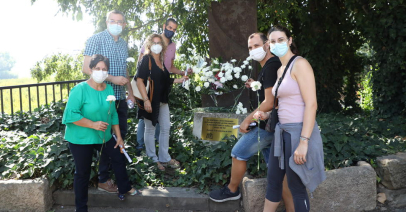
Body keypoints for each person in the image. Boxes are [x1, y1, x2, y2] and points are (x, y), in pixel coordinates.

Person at [209, 33, 295, 211]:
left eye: (256, 45)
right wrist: (257, 83)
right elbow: (272, 93)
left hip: (268, 126)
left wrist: (246, 120)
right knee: (278, 173)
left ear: (266, 45)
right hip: (276, 125)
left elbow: (270, 102)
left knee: (238, 153)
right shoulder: (269, 67)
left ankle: (232, 190)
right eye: (250, 47)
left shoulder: (271, 66)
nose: (253, 50)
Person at [254, 25, 326, 212]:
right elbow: (283, 103)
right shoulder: (280, 69)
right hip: (282, 132)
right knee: (274, 181)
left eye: (281, 40)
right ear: (268, 45)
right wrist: (267, 114)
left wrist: (304, 141)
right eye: (273, 41)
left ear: (290, 41)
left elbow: (311, 104)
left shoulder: (300, 64)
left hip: (298, 132)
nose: (277, 44)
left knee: (296, 187)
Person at [62, 55, 136, 212]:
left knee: (117, 155)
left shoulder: (108, 89)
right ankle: (81, 209)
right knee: (82, 173)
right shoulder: (79, 90)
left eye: (104, 69)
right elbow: (70, 115)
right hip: (81, 137)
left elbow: (113, 114)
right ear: (90, 69)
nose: (101, 72)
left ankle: (123, 188)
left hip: (103, 134)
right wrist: (92, 124)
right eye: (97, 69)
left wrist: (119, 137)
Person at [82, 10, 135, 193]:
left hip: (120, 98)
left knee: (120, 136)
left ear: (124, 25)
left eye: (120, 21)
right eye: (113, 20)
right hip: (101, 97)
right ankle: (103, 179)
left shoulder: (123, 44)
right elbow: (85, 68)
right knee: (106, 138)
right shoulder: (95, 39)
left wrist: (130, 92)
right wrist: (112, 79)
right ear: (106, 22)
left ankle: (113, 174)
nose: (116, 24)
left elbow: (125, 71)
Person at [135, 18, 191, 155]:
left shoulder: (162, 60)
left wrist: (182, 77)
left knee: (165, 127)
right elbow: (139, 78)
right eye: (154, 43)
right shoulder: (147, 59)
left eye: (159, 43)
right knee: (149, 127)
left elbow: (167, 77)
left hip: (162, 96)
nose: (157, 45)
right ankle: (149, 156)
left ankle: (164, 157)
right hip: (150, 96)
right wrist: (146, 99)